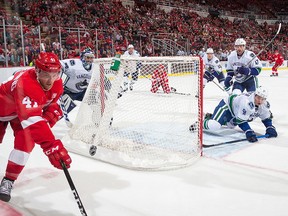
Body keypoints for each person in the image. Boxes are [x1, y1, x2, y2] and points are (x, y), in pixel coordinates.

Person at [0, 52, 72, 202]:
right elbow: (33, 121)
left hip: (20, 114)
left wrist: (50, 114)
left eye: (55, 74)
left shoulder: (57, 83)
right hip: (3, 112)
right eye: (46, 74)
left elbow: (51, 104)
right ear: (37, 71)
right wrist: (52, 146)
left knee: (25, 145)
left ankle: (8, 180)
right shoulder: (25, 83)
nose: (50, 80)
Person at [189, 86, 277, 142]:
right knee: (215, 126)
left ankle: (211, 116)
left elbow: (266, 117)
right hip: (227, 106)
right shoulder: (246, 102)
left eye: (262, 99)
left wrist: (270, 127)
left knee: (230, 126)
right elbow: (241, 121)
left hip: (236, 112)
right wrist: (248, 131)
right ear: (255, 95)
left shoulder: (264, 104)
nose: (260, 101)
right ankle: (200, 124)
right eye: (258, 98)